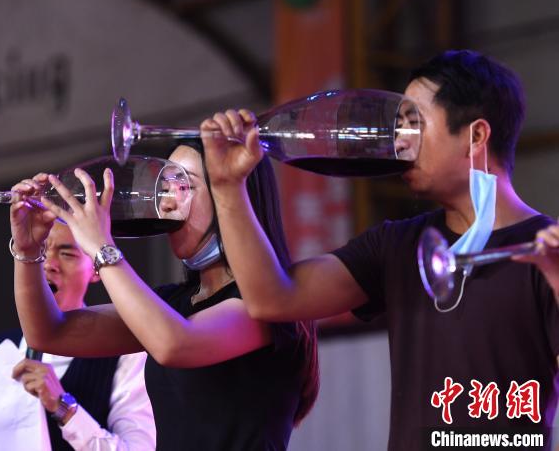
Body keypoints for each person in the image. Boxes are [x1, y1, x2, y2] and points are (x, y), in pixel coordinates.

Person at [199, 49, 559, 449]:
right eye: (398, 126)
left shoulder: (547, 250)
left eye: (414, 124)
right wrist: (227, 187)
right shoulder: (397, 245)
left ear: (475, 136)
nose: (398, 142)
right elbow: (272, 298)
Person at [8, 142, 319, 450]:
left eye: (185, 187)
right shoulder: (175, 303)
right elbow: (48, 333)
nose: (167, 204)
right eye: (165, 189)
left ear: (233, 195)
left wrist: (102, 248)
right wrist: (28, 251)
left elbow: (175, 344)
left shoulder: (266, 304)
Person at [0, 222, 155, 451]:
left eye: (67, 254)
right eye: (40, 251)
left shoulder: (124, 355)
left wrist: (64, 407)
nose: (49, 264)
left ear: (96, 268)